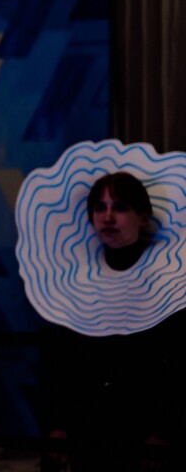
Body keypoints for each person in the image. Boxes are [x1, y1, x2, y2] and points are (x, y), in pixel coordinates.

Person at [40, 171, 186, 472]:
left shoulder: (167, 283)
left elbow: (177, 364)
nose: (107, 217)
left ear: (143, 218)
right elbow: (61, 363)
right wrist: (57, 426)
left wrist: (162, 430)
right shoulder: (77, 283)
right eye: (100, 207)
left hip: (144, 438)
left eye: (120, 207)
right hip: (88, 432)